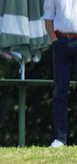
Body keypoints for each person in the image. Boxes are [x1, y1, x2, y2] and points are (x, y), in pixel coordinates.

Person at [45, 0, 77, 147]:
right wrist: (54, 40)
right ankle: (60, 138)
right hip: (61, 41)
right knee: (59, 92)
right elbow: (48, 16)